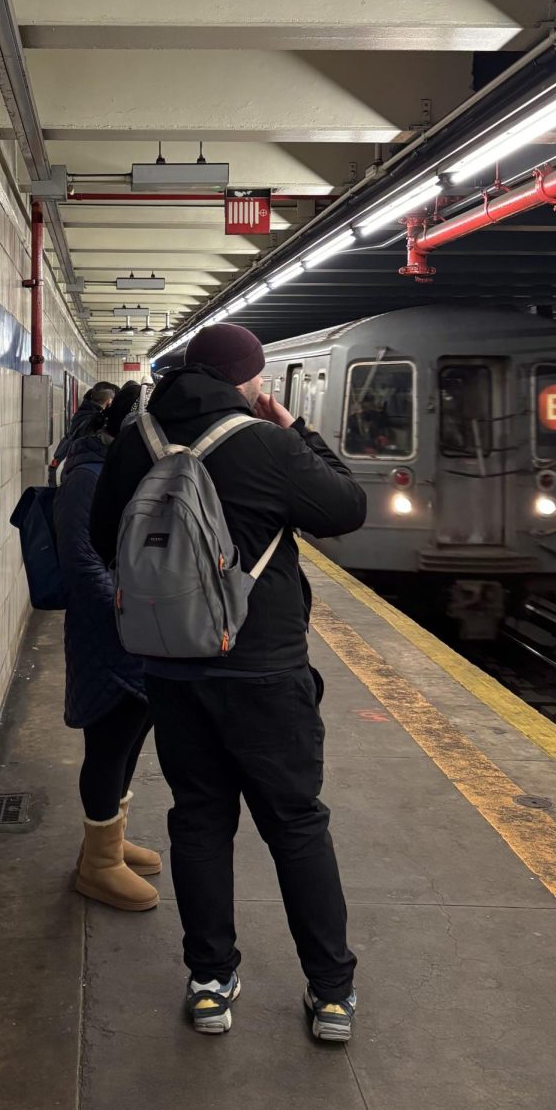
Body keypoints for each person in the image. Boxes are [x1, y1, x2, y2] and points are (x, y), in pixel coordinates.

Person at [90, 323, 367, 1040]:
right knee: (297, 824)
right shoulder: (269, 445)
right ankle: (331, 993)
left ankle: (210, 983)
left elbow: (102, 538)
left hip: (174, 668)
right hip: (265, 668)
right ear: (247, 380)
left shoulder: (135, 443)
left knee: (201, 820)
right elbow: (346, 509)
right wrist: (296, 427)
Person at [53, 382, 162, 912]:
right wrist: (130, 611)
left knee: (131, 738)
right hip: (106, 639)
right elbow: (79, 563)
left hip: (133, 636)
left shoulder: (118, 472)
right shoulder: (87, 477)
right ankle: (96, 866)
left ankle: (111, 842)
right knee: (109, 744)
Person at [48, 382, 119, 485]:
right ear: (109, 402)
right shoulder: (95, 422)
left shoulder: (82, 413)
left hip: (64, 468)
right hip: (74, 477)